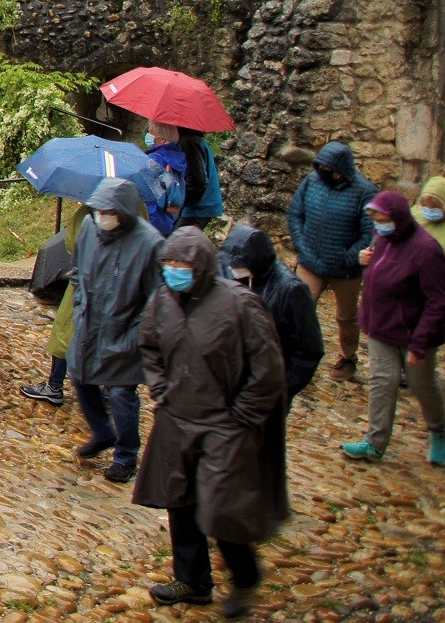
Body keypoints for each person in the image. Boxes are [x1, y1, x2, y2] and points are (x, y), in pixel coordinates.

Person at [135, 228, 287, 618]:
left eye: (182, 264)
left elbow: (267, 369)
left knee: (222, 508)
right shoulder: (163, 301)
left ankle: (245, 577)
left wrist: (242, 417)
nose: (174, 270)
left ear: (200, 265)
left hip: (224, 423)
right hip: (177, 417)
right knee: (179, 501)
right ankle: (193, 580)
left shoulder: (241, 305)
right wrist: (161, 390)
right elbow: (150, 345)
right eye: (168, 263)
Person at [340, 191, 445, 465]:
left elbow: (438, 300)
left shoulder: (426, 250)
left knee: (421, 384)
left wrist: (420, 342)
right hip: (381, 326)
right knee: (381, 382)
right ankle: (374, 443)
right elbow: (380, 274)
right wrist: (365, 261)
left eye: (383, 219)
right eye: (376, 220)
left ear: (398, 218)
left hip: (414, 332)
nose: (378, 225)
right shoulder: (382, 239)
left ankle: (440, 431)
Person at [67, 177, 163, 482]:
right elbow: (79, 271)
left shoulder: (150, 244)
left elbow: (157, 298)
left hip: (124, 330)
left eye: (109, 210)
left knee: (122, 393)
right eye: (99, 209)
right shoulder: (89, 230)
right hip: (90, 323)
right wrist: (81, 303)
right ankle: (102, 432)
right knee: (80, 376)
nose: (102, 215)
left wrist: (136, 334)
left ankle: (126, 456)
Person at [287, 141, 378, 382]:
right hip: (311, 262)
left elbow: (370, 232)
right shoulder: (311, 182)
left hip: (345, 269)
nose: (323, 171)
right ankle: (293, 353)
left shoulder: (365, 192)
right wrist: (302, 246)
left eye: (328, 168)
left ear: (340, 169)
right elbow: (295, 214)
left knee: (346, 317)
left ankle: (347, 359)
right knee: (300, 308)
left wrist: (348, 257)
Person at [220, 224, 325, 412]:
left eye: (238, 265)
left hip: (267, 389)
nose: (233, 269)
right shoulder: (228, 272)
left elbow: (309, 349)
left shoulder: (290, 290)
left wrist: (281, 390)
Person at [21, 205, 89, 407]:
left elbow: (71, 243)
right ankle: (107, 388)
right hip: (119, 288)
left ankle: (55, 385)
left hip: (84, 282)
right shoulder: (136, 207)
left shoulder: (88, 211)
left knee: (65, 331)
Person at [414, 176, 445, 343]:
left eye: (435, 207)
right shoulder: (414, 216)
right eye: (426, 206)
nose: (429, 210)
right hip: (422, 293)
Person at [143, 121, 187, 237]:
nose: (148, 135)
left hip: (151, 223)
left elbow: (149, 196)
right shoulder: (177, 158)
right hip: (168, 220)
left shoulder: (154, 160)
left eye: (150, 133)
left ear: (162, 139)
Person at [176, 128, 224, 230]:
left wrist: (183, 200)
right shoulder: (194, 140)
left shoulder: (189, 142)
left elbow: (198, 179)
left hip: (198, 206)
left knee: (178, 241)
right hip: (201, 203)